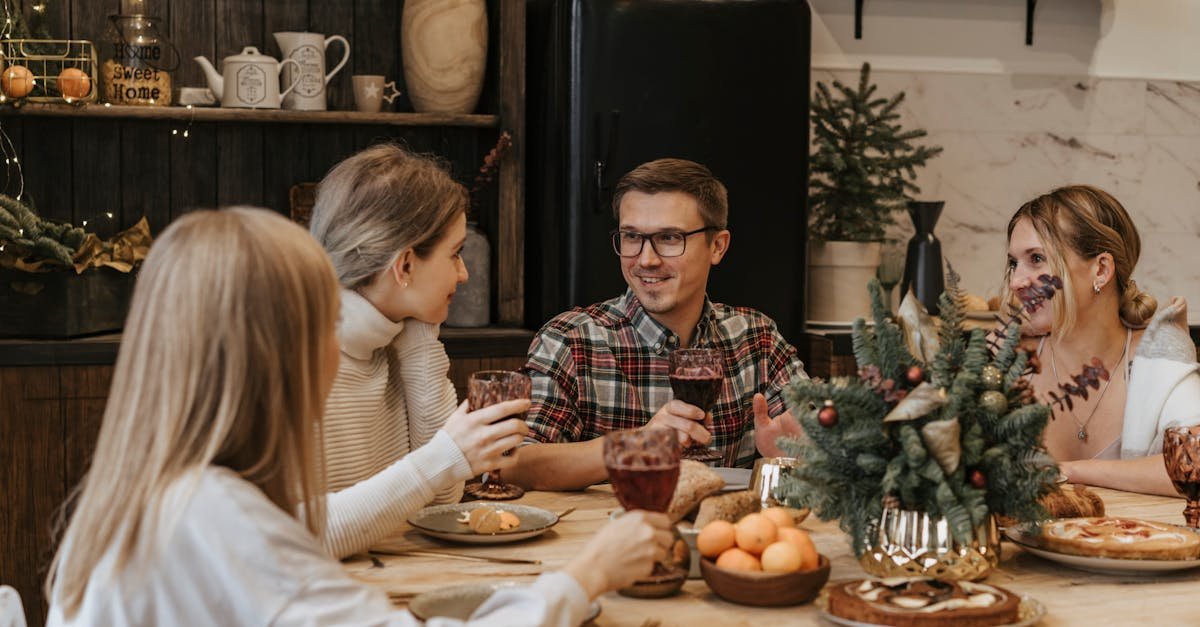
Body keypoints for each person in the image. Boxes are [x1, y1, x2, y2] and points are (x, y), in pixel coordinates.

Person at [45, 208, 673, 626]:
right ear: (279, 350)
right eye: (325, 319)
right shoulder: (212, 518)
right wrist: (587, 573)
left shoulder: (166, 492)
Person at [508, 158, 807, 491]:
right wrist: (638, 444)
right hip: (608, 540)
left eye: (668, 237)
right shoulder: (571, 340)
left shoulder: (757, 339)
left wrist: (799, 453)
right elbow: (516, 464)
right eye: (632, 237)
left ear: (717, 246)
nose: (646, 259)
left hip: (728, 539)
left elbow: (816, 442)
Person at [308, 144, 529, 558]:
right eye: (456, 253)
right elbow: (297, 537)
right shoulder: (294, 359)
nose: (464, 274)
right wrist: (449, 455)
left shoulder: (397, 336)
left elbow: (443, 497)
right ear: (405, 265)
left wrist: (421, 337)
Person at [1005, 185, 1200, 496]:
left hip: (1140, 542)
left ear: (1101, 269)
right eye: (1014, 263)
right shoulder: (1009, 362)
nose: (1016, 281)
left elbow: (1195, 464)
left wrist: (1069, 471)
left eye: (1037, 258)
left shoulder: (1157, 357)